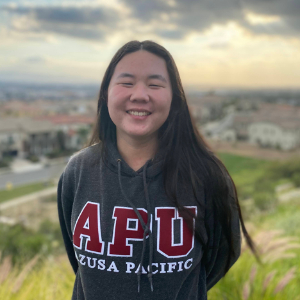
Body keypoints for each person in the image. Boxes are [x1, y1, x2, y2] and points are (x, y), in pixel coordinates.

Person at [57, 40, 256, 300]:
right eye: (126, 82)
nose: (140, 94)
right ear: (106, 93)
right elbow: (80, 264)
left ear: (174, 98)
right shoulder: (78, 170)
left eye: (155, 84)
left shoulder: (207, 175)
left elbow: (220, 258)